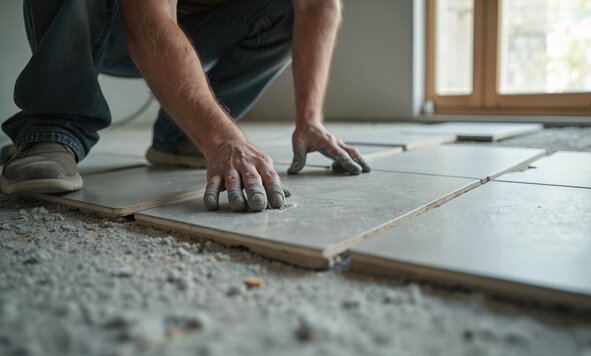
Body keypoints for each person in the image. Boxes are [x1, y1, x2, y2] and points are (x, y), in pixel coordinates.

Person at [0, 0, 371, 212]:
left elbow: (318, 5)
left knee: (281, 10)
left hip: (198, 27)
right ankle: (54, 128)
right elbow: (149, 20)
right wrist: (223, 139)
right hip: (103, 19)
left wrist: (310, 120)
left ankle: (179, 138)